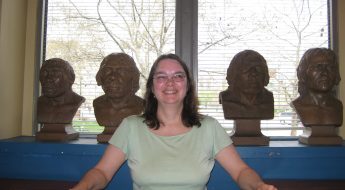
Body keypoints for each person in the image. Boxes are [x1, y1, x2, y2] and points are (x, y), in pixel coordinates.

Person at [71, 54, 277, 190]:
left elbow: (241, 171)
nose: (170, 82)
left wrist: (258, 186)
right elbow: (102, 172)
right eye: (162, 76)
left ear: (188, 85)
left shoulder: (209, 127)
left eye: (178, 76)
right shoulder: (131, 127)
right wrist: (83, 186)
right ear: (152, 86)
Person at [93, 53, 144, 142]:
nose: (112, 76)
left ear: (133, 77)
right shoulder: (97, 104)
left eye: (122, 71)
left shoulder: (142, 105)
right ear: (100, 77)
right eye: (107, 71)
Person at [292, 48, 342, 126]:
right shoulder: (298, 105)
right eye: (317, 67)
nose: (324, 73)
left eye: (330, 67)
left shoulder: (338, 106)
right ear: (303, 73)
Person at [219, 50, 274, 119]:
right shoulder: (226, 99)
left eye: (258, 69)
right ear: (235, 74)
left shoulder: (268, 99)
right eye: (247, 69)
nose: (254, 74)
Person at [37, 58, 85, 124]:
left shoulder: (76, 102)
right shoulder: (38, 103)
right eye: (44, 73)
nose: (48, 79)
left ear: (71, 78)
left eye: (55, 73)